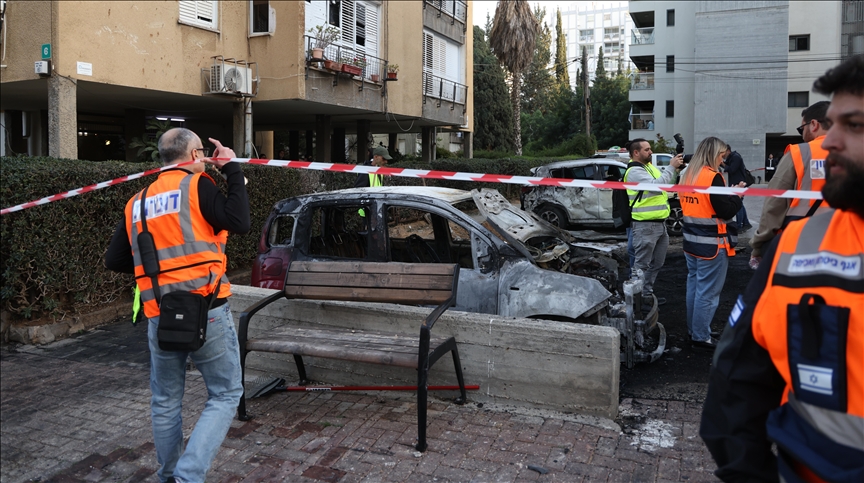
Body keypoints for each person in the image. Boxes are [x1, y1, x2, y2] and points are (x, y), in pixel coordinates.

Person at [700, 55, 864, 483]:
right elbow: (735, 384)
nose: (830, 142)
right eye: (832, 123)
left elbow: (773, 200)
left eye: (856, 125)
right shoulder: (796, 249)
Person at [104, 128, 250, 482]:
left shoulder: (136, 201)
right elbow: (239, 221)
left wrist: (159, 269)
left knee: (166, 400)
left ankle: (168, 474)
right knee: (226, 392)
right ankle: (188, 475)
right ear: (197, 155)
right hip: (207, 308)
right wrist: (231, 169)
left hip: (160, 313)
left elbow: (116, 259)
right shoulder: (197, 186)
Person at [679, 138, 745, 351]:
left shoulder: (686, 175)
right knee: (708, 292)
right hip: (712, 244)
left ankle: (695, 329)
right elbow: (725, 211)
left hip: (691, 241)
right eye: (721, 156)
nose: (722, 160)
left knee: (695, 288)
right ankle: (700, 336)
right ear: (713, 154)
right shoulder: (712, 177)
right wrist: (737, 195)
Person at [749, 100, 832, 270]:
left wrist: (759, 244)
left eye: (802, 129)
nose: (802, 134)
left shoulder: (800, 153)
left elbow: (774, 203)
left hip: (804, 242)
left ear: (814, 124)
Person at [623, 138, 685, 306]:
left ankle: (646, 295)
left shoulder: (648, 167)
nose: (651, 152)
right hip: (645, 225)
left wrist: (676, 171)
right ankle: (634, 302)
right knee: (641, 266)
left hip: (659, 224)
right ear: (636, 153)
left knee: (656, 263)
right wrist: (671, 166)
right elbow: (657, 186)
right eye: (647, 149)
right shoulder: (634, 171)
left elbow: (666, 184)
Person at [721, 146, 752, 231]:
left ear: (727, 151)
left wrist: (722, 163)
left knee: (738, 204)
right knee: (740, 204)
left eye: (722, 152)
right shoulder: (731, 157)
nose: (722, 156)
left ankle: (739, 226)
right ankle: (746, 223)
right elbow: (727, 167)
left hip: (740, 184)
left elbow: (731, 169)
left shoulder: (736, 157)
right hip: (735, 183)